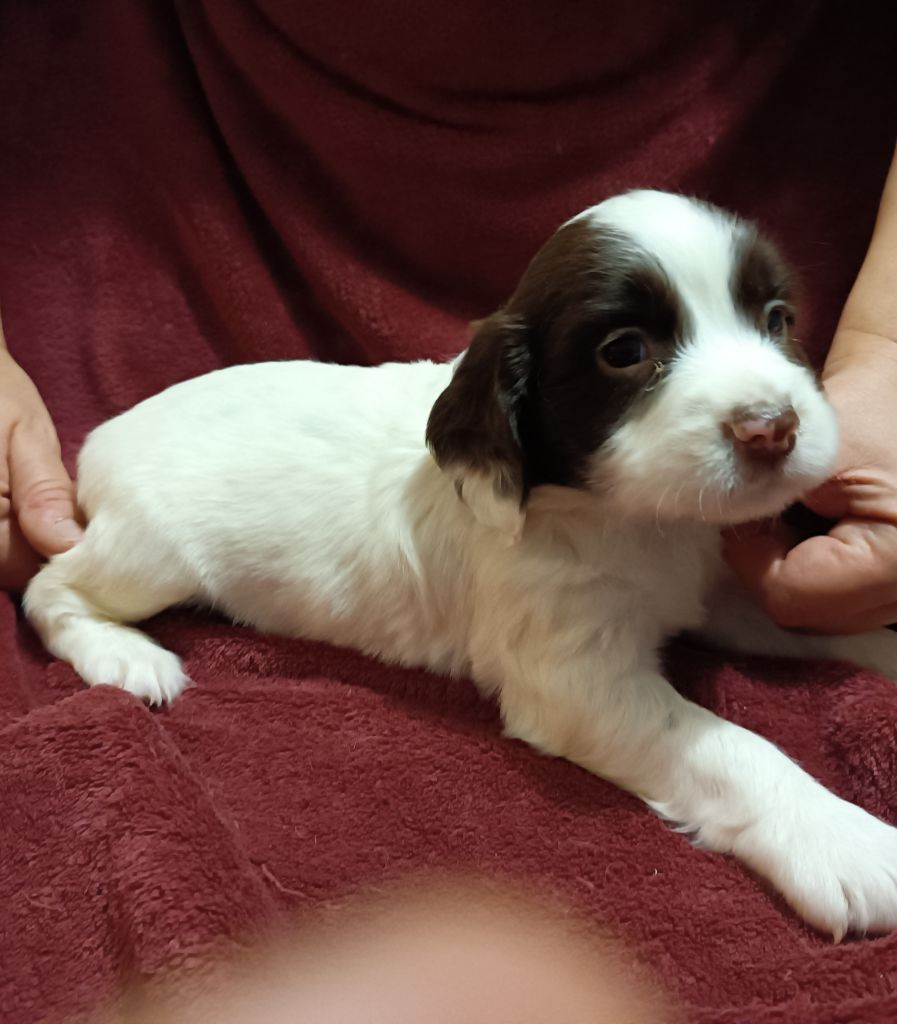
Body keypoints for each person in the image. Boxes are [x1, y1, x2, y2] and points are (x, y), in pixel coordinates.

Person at [1, 147, 895, 631]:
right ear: (505, 417)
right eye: (626, 350)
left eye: (771, 319)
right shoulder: (518, 524)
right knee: (152, 550)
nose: (767, 407)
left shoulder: (679, 508)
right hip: (166, 471)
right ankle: (70, 603)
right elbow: (579, 707)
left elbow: (708, 607)